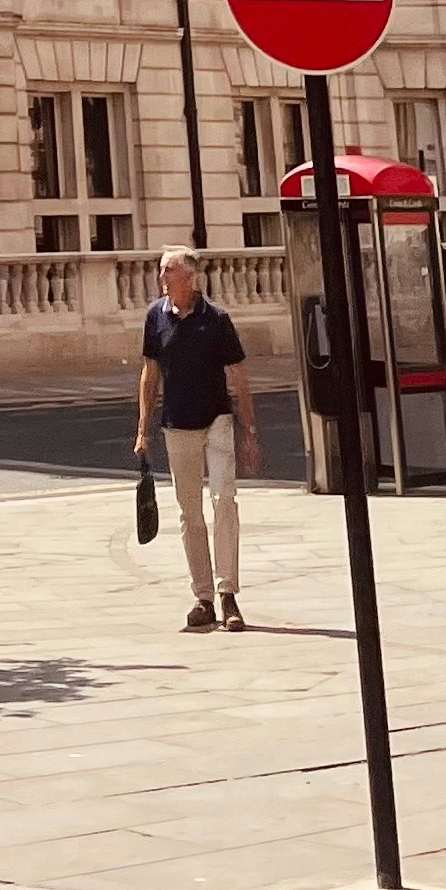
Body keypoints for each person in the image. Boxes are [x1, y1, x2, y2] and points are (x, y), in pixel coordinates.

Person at [137, 248, 257, 634]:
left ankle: (228, 593)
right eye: (161, 271)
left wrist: (249, 430)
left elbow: (238, 374)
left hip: (217, 420)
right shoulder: (156, 316)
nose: (162, 278)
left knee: (224, 501)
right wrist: (142, 428)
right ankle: (202, 597)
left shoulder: (217, 319)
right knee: (190, 515)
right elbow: (149, 373)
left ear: (189, 276)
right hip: (176, 424)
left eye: (167, 271)